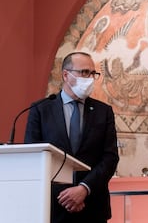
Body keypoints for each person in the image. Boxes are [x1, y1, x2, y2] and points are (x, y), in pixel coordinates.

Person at [24, 52, 119, 223]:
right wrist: (66, 197)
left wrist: (83, 189)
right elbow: (33, 159)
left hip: (92, 207)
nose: (90, 78)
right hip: (52, 207)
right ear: (66, 75)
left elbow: (110, 158)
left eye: (93, 73)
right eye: (84, 72)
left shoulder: (103, 112)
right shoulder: (41, 109)